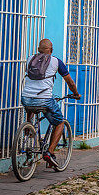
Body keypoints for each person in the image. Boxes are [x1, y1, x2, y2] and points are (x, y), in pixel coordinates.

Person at [22, 38, 80, 167]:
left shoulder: (30, 59)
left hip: (26, 97)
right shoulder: (56, 62)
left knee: (31, 104)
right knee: (59, 122)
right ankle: (49, 152)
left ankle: (28, 126)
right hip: (44, 99)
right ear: (51, 50)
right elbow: (70, 82)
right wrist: (76, 94)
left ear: (38, 50)